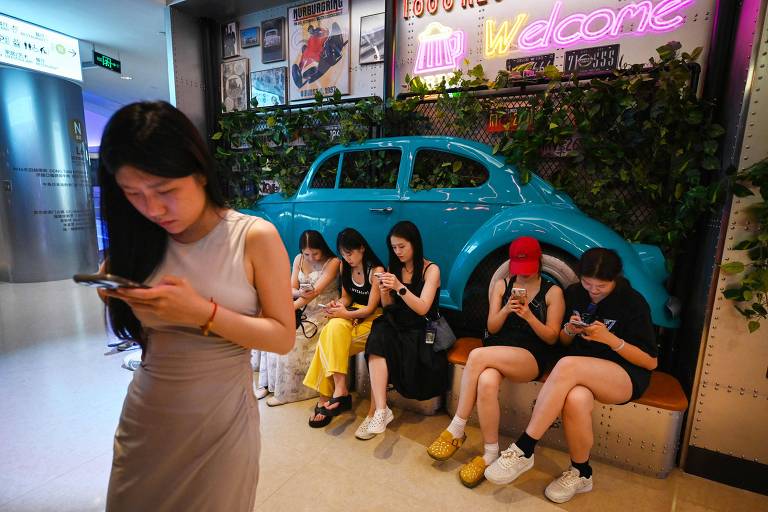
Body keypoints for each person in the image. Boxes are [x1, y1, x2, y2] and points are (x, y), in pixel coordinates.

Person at [98, 101, 294, 511]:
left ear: (200, 172)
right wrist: (116, 294)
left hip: (221, 426)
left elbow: (282, 337)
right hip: (148, 417)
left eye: (165, 191)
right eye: (134, 194)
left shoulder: (253, 237)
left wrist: (201, 312)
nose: (152, 209)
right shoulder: (140, 240)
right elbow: (116, 289)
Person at [483, 248, 658, 503]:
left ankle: (524, 448)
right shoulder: (575, 293)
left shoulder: (632, 302)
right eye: (588, 283)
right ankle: (581, 473)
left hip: (623, 374)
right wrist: (569, 329)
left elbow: (650, 361)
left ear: (616, 279)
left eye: (602, 285)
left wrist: (611, 340)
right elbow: (563, 341)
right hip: (581, 370)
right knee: (576, 398)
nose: (594, 290)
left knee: (566, 365)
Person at [426, 236, 565, 487]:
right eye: (518, 269)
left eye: (528, 269)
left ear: (539, 262)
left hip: (530, 354)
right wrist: (506, 310)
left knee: (477, 356)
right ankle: (491, 453)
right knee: (487, 381)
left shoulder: (552, 291)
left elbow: (552, 337)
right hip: (500, 348)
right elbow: (492, 326)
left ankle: (457, 427)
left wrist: (529, 316)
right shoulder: (502, 284)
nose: (522, 275)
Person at [355, 221, 449, 440]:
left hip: (423, 327)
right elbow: (389, 307)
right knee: (379, 335)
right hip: (399, 322)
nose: (397, 252)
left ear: (414, 244)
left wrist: (399, 287)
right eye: (394, 247)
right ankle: (380, 410)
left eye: (402, 247)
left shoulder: (431, 269)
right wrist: (384, 290)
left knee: (387, 341)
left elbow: (423, 307)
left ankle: (373, 413)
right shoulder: (394, 268)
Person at [303, 228, 384, 427]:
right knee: (331, 329)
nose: (347, 258)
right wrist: (337, 304)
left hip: (373, 317)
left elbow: (371, 307)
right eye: (343, 254)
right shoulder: (344, 267)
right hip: (353, 311)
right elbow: (347, 297)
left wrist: (346, 314)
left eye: (350, 253)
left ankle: (325, 399)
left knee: (326, 342)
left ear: (362, 248)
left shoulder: (376, 271)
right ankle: (340, 389)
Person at [258, 230, 339, 406]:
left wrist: (289, 309)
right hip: (301, 311)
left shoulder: (333, 263)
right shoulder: (298, 259)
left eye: (315, 253)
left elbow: (316, 292)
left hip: (322, 314)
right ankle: (269, 384)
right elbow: (291, 288)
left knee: (292, 342)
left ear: (323, 249)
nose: (311, 258)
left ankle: (289, 392)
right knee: (272, 336)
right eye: (306, 253)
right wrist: (298, 293)